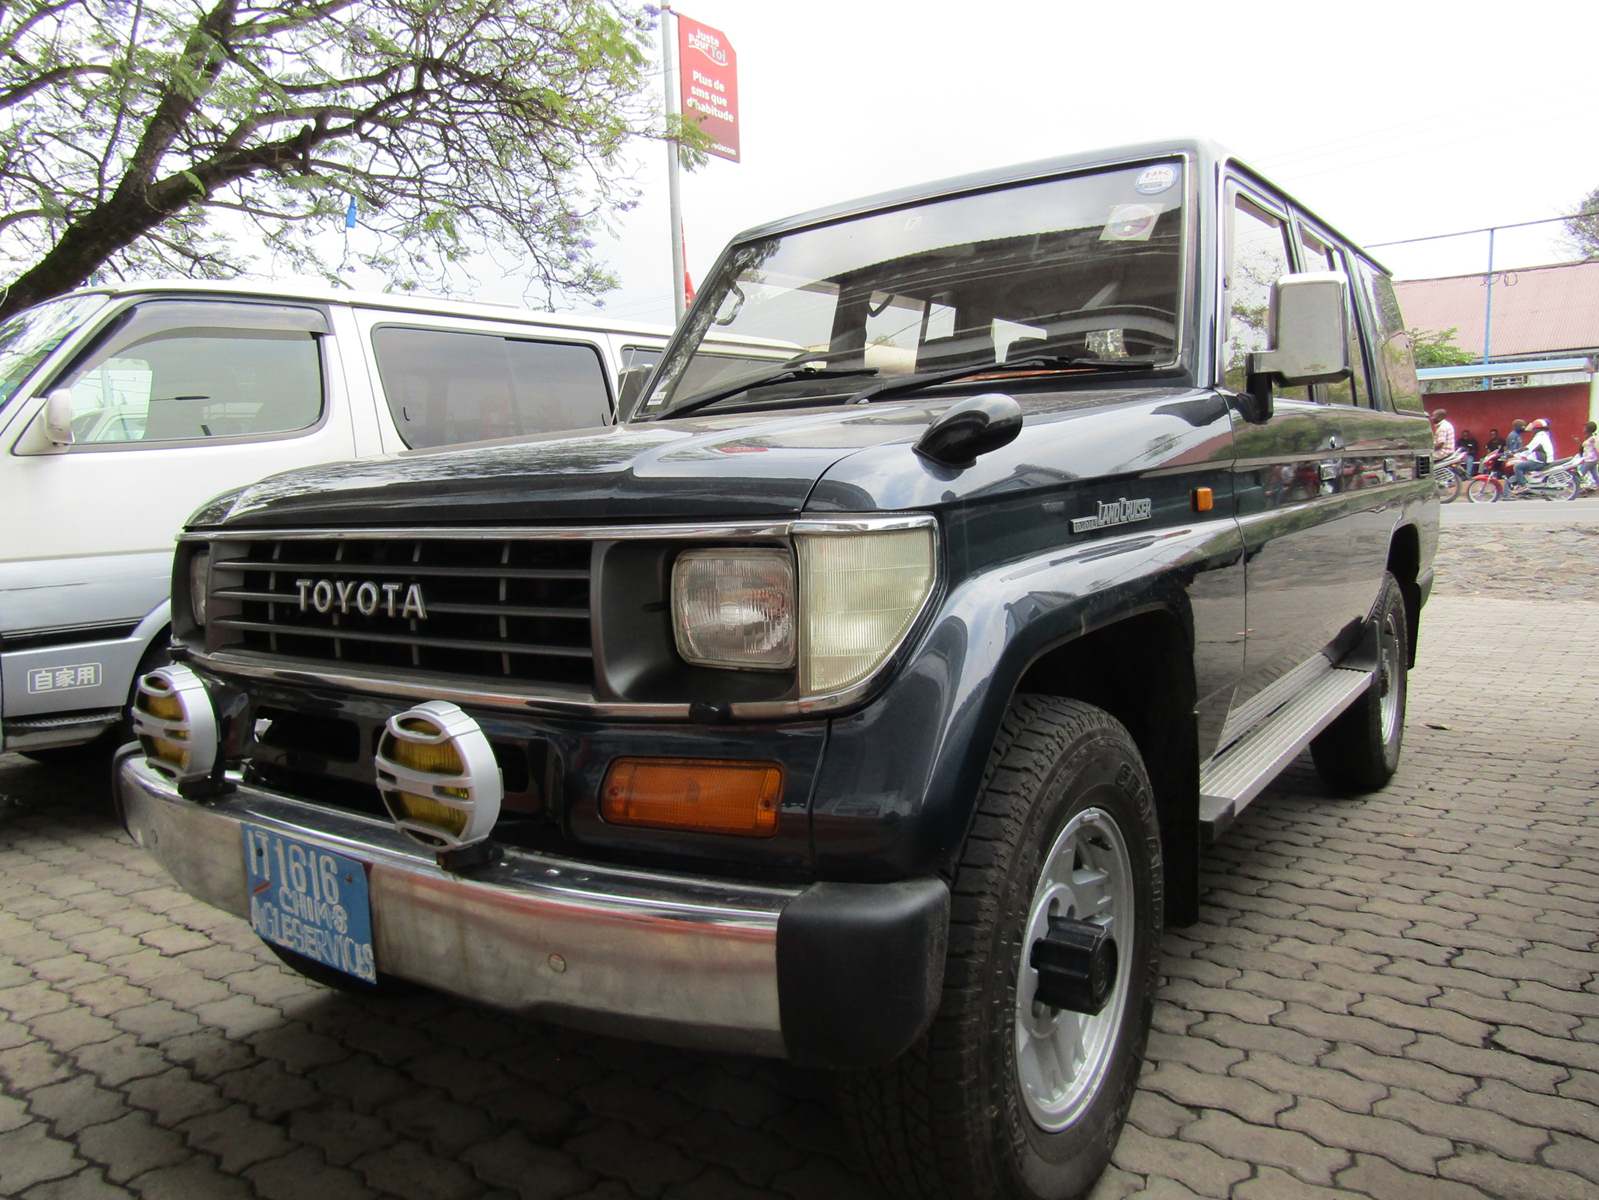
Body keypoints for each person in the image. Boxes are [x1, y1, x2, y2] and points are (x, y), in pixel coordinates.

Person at [1511, 418, 1556, 491]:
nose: (1533, 431)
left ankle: (1523, 486)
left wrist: (1515, 453)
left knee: (1517, 467)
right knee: (1523, 464)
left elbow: (1529, 448)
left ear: (1538, 429)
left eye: (1534, 429)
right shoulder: (1543, 435)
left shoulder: (1540, 436)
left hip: (1540, 461)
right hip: (1542, 459)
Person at [1579, 421, 1599, 492]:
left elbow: (1597, 448)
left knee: (1580, 474)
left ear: (1589, 429)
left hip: (1590, 460)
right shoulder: (1588, 437)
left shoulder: (1593, 438)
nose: (1583, 428)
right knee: (1595, 475)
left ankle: (1575, 489)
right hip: (1590, 459)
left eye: (1585, 427)